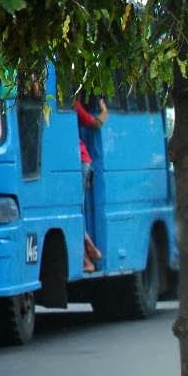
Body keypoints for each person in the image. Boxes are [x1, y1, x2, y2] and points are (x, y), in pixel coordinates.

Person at [75, 95, 108, 272]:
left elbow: (95, 123)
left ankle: (87, 258)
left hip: (80, 161)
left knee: (76, 211)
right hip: (81, 161)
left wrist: (104, 113)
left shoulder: (73, 105)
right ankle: (90, 250)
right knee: (76, 211)